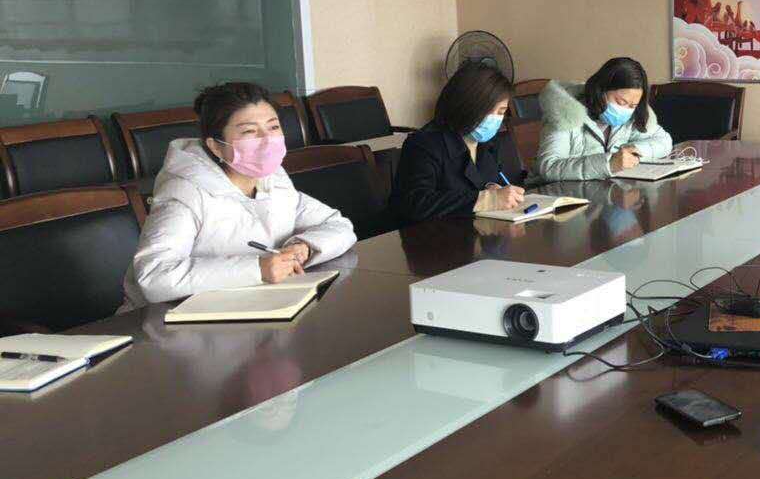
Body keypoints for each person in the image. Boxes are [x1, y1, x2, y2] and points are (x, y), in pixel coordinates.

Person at [123, 82, 356, 307]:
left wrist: (304, 247)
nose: (267, 140)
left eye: (273, 127)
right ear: (216, 146)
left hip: (257, 306)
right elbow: (155, 276)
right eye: (250, 131)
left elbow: (338, 225)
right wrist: (258, 269)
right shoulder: (184, 193)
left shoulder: (273, 178)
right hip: (167, 320)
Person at [390, 62, 527, 225]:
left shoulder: (487, 142)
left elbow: (486, 182)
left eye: (501, 112)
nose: (495, 119)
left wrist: (493, 188)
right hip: (433, 235)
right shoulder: (423, 144)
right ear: (466, 105)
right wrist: (486, 199)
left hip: (478, 230)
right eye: (490, 110)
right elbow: (416, 203)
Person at [534, 57, 672, 181]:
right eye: (621, 102)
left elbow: (664, 140)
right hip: (562, 195)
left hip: (605, 193)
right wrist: (609, 164)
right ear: (600, 90)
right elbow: (548, 167)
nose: (626, 110)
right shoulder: (565, 113)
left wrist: (634, 151)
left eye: (632, 106)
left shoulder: (632, 117)